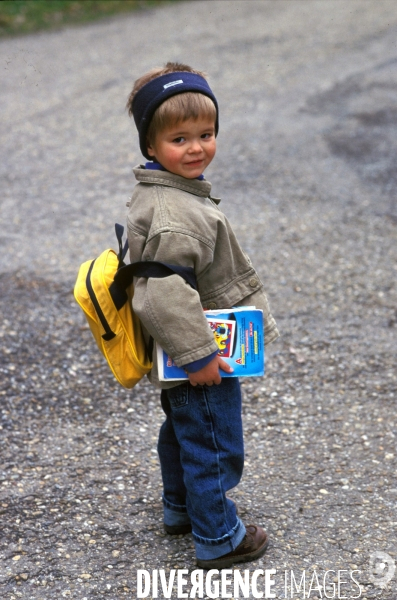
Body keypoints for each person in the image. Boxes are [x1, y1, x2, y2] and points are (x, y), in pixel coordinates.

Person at [125, 62, 279, 569]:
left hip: (187, 353)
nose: (196, 147)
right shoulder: (175, 216)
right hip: (201, 353)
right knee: (214, 443)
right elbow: (162, 294)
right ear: (151, 146)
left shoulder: (169, 194)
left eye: (206, 134)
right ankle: (219, 537)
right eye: (179, 138)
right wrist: (198, 356)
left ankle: (181, 508)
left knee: (183, 433)